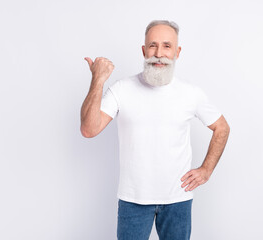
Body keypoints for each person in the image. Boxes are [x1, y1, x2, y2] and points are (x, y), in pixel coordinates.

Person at [80, 20, 230, 240]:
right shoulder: (123, 89)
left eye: (167, 46)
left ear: (177, 52)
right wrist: (98, 79)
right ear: (143, 50)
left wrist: (206, 169)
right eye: (153, 45)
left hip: (177, 200)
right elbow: (89, 129)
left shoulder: (191, 94)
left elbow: (222, 128)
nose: (159, 53)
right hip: (133, 201)